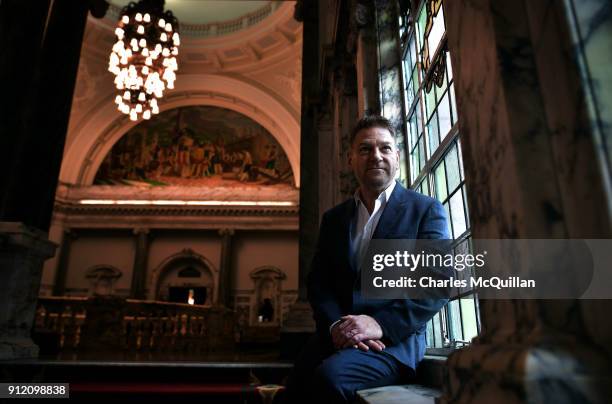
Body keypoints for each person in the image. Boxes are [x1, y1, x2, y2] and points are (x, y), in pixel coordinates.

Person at [284, 115, 450, 403]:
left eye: (385, 148)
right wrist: (336, 326)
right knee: (293, 387)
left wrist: (379, 325)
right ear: (350, 159)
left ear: (397, 157)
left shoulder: (426, 210)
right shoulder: (334, 219)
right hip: (336, 339)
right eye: (365, 149)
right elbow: (318, 283)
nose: (376, 156)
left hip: (392, 343)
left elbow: (437, 284)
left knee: (330, 379)